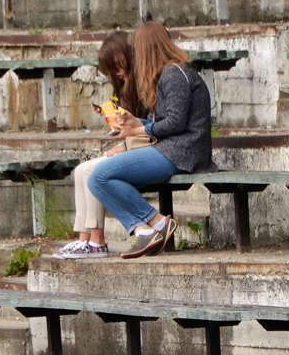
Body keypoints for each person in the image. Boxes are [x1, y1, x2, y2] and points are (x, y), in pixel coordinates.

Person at [89, 21, 216, 259]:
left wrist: (140, 129)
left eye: (136, 49)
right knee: (98, 177)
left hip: (181, 153)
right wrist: (136, 124)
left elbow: (176, 124)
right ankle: (153, 225)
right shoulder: (166, 75)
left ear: (147, 49)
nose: (134, 56)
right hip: (172, 149)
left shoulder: (174, 73)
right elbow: (166, 122)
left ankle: (151, 226)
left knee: (100, 176)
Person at [53, 31, 140, 260]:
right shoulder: (125, 86)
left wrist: (126, 147)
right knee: (80, 170)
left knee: (92, 171)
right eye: (112, 69)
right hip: (134, 146)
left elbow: (149, 128)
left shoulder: (144, 83)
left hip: (143, 150)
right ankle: (84, 238)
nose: (116, 73)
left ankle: (97, 241)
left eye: (118, 65)